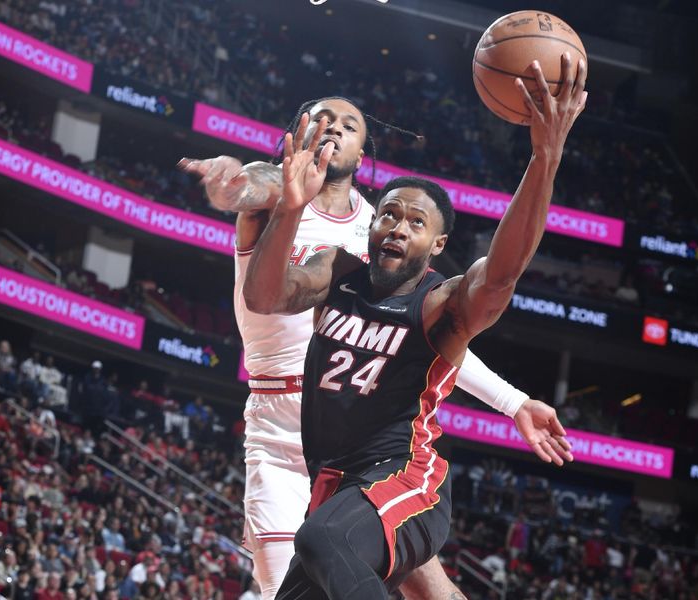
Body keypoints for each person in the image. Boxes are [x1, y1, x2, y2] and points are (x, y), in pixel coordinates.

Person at [181, 94, 573, 599]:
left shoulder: (381, 230)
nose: (332, 128)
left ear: (363, 152)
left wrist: (511, 400)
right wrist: (231, 183)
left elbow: (439, 334)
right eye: (320, 118)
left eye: (348, 124)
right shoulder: (289, 200)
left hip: (377, 436)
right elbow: (250, 196)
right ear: (297, 132)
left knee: (373, 564)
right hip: (289, 426)